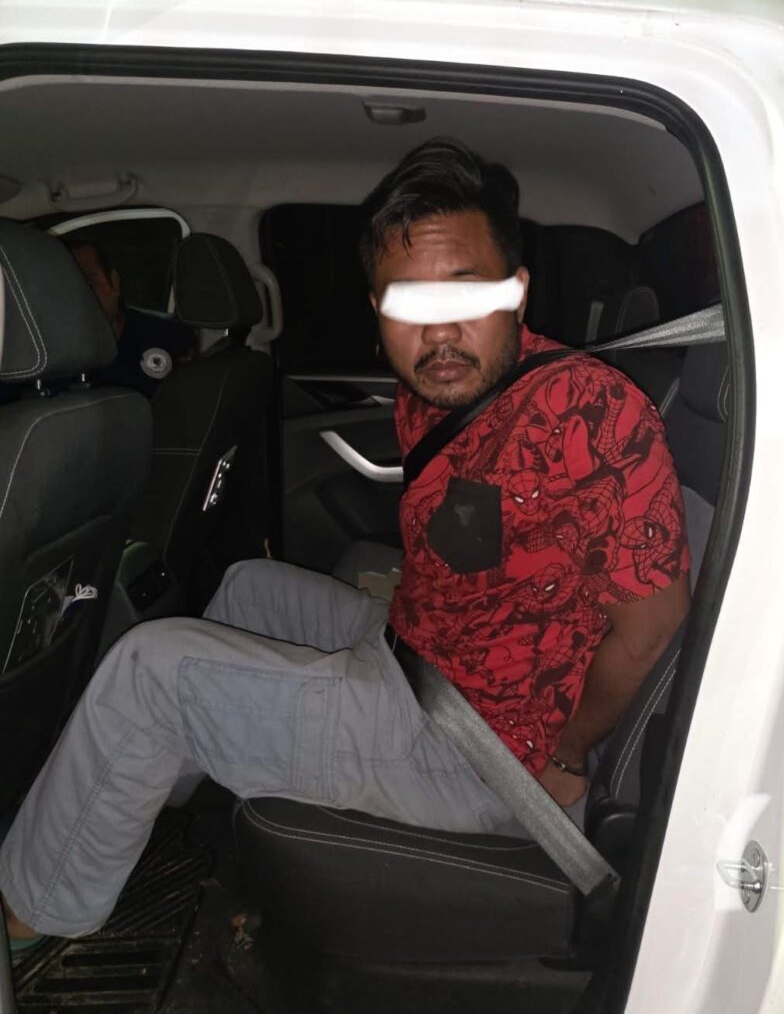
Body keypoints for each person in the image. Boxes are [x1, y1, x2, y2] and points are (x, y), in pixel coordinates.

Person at [1, 139, 689, 948]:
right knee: (248, 586)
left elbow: (651, 629)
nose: (440, 331)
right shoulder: (439, 390)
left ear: (518, 290)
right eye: (408, 302)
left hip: (478, 753)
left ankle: (32, 915)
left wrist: (565, 755)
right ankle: (137, 800)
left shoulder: (589, 411)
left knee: (149, 672)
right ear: (376, 308)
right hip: (425, 658)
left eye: (467, 291)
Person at [67, 239, 196, 396]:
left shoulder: (167, 338)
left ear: (114, 283)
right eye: (66, 288)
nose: (79, 296)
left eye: (89, 283)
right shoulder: (49, 361)